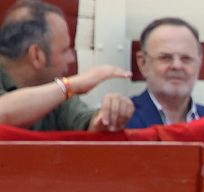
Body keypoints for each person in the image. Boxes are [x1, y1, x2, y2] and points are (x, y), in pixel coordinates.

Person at [0, 0, 131, 131]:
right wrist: (74, 84)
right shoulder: (64, 88)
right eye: (64, 51)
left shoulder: (56, 90)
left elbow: (87, 122)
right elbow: (3, 113)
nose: (71, 58)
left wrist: (109, 115)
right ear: (36, 55)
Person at [125, 17, 204, 128]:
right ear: (143, 63)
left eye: (186, 58)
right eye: (165, 57)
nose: (177, 66)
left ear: (199, 63)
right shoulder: (121, 122)